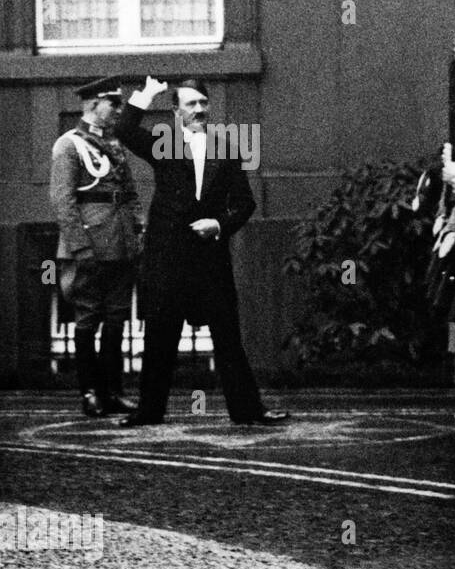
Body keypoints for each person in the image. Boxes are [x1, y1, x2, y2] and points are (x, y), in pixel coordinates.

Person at [114, 76, 288, 427]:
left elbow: (244, 204)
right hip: (167, 258)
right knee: (161, 336)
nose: (198, 110)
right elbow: (125, 129)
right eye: (190, 104)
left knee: (227, 337)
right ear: (176, 112)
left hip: (209, 259)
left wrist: (219, 225)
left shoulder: (226, 148)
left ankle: (248, 410)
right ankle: (149, 411)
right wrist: (146, 94)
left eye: (203, 104)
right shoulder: (163, 144)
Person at [49, 76, 141, 417]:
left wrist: (137, 233)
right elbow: (63, 202)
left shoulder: (116, 145)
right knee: (87, 318)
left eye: (120, 103)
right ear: (91, 105)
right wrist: (80, 249)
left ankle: (113, 391)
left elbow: (130, 196)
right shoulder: (69, 145)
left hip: (120, 245)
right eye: (112, 103)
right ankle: (89, 393)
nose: (118, 109)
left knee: (117, 319)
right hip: (88, 246)